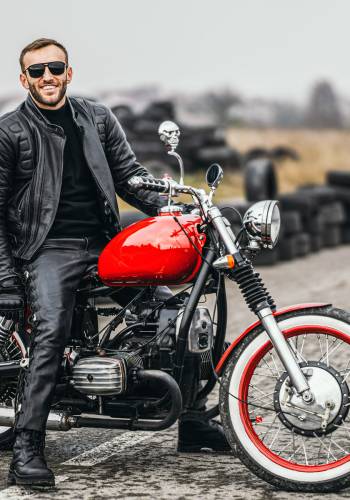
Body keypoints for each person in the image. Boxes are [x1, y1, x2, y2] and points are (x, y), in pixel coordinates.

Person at [0, 38, 230, 488]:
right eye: (38, 70)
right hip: (47, 247)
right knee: (50, 331)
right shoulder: (10, 132)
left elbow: (129, 180)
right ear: (24, 79)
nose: (48, 76)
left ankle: (194, 420)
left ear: (69, 72)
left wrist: (174, 208)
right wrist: (6, 280)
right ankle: (27, 447)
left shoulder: (97, 118)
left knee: (175, 316)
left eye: (55, 67)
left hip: (104, 244)